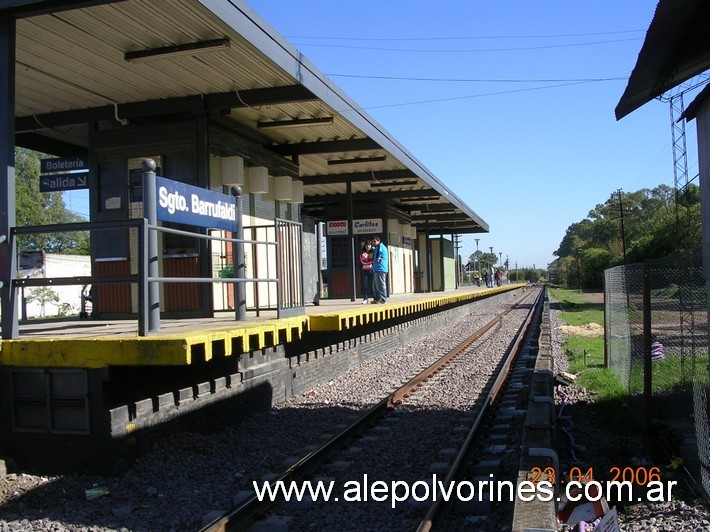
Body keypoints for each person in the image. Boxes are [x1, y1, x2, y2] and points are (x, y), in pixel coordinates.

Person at [371, 235, 389, 303]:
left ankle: (383, 299)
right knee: (375, 285)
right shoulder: (377, 247)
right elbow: (373, 249)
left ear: (378, 241)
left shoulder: (380, 247)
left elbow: (379, 259)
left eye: (375, 241)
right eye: (372, 242)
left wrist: (374, 260)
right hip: (376, 269)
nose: (373, 243)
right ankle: (376, 299)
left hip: (381, 269)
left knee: (381, 284)